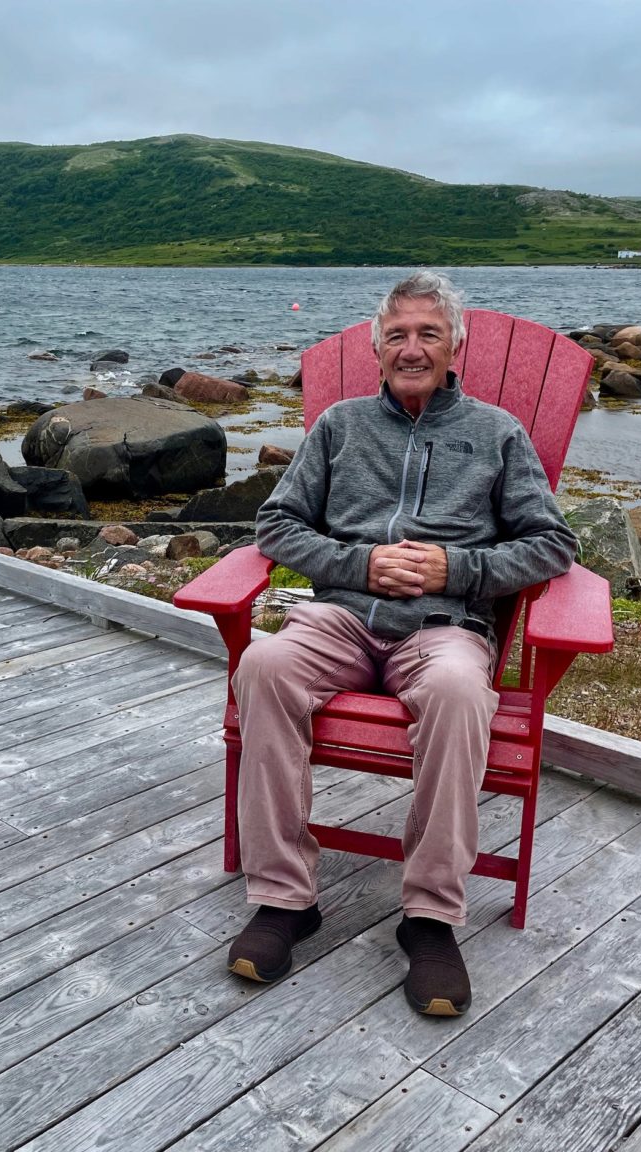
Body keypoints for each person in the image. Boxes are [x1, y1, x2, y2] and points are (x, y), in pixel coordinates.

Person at [225, 271, 575, 1015]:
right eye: (397, 335)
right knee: (265, 664)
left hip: (445, 628)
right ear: (377, 349)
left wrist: (461, 567)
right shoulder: (340, 427)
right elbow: (276, 527)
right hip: (342, 618)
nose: (412, 348)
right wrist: (359, 564)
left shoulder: (496, 434)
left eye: (428, 334)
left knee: (456, 691)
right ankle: (286, 899)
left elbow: (551, 545)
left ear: (457, 347)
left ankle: (430, 918)